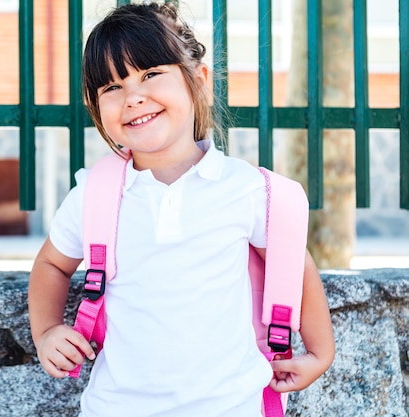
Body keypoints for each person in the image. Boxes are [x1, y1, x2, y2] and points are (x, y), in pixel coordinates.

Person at [28, 3, 335, 416]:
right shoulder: (94, 193)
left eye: (151, 74)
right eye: (112, 87)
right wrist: (46, 331)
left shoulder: (243, 189)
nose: (133, 97)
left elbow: (292, 263)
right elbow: (52, 264)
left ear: (199, 81)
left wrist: (320, 351)